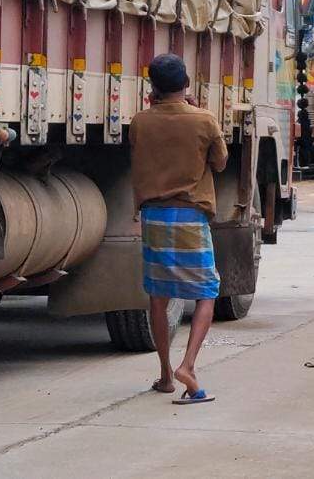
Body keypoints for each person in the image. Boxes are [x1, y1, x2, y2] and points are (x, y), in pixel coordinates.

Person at [129, 53, 227, 405]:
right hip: (190, 216)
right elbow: (220, 161)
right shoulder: (204, 119)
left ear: (152, 87)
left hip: (153, 217)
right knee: (206, 292)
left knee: (159, 295)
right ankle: (189, 366)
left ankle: (166, 374)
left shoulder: (140, 121)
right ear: (186, 85)